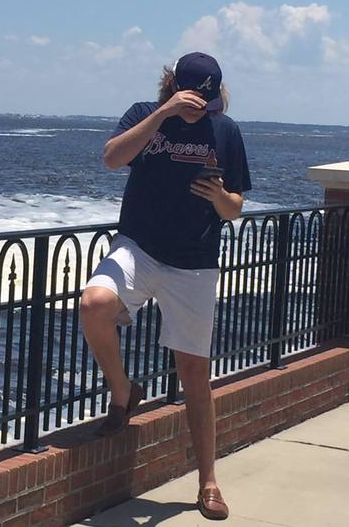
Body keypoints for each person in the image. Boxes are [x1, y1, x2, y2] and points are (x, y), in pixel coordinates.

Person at [80, 52, 251, 521]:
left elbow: (236, 207)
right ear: (175, 85)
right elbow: (112, 158)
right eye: (193, 95)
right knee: (94, 303)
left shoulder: (226, 131)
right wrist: (163, 114)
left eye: (206, 99)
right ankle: (123, 392)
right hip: (139, 246)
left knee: (194, 373)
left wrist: (221, 198)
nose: (199, 106)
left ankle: (208, 481)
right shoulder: (144, 114)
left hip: (194, 263)